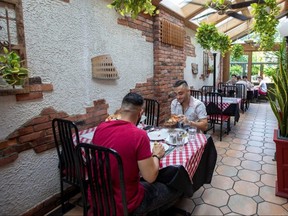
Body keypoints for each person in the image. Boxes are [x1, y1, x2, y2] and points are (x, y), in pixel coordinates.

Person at [92, 92, 183, 215]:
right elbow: (150, 177)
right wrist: (156, 155)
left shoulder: (101, 127)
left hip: (98, 197)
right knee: (177, 189)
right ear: (140, 114)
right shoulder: (139, 135)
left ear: (121, 109)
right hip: (127, 202)